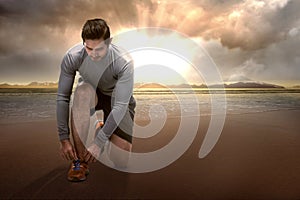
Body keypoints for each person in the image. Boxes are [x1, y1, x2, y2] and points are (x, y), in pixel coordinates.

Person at [56, 18, 135, 181]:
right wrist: (64, 138)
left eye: (98, 49)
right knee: (82, 92)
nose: (93, 54)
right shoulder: (73, 57)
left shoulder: (123, 61)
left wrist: (99, 141)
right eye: (88, 48)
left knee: (121, 160)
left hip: (116, 98)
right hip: (91, 94)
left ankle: (102, 128)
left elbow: (120, 106)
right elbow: (63, 97)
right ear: (83, 43)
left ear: (109, 42)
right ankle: (79, 162)